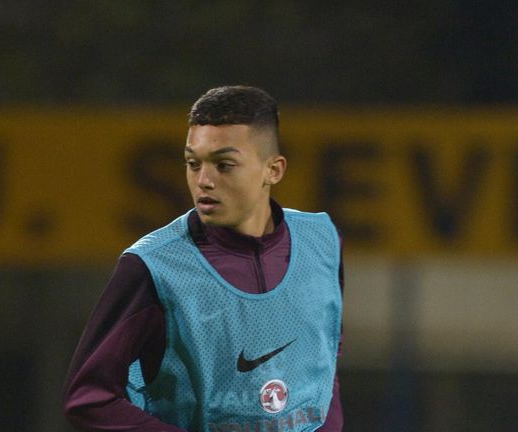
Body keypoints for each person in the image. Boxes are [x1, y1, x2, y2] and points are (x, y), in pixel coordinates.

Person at [63, 86, 344, 431]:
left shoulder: (322, 241)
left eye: (224, 165)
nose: (204, 181)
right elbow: (89, 397)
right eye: (193, 163)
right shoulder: (153, 267)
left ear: (274, 170)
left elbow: (324, 366)